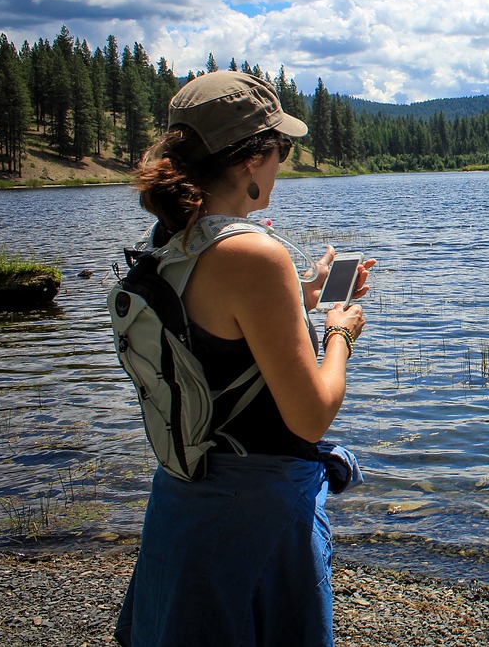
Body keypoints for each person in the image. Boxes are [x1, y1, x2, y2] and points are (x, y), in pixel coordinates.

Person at [114, 70, 374, 646]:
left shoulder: (167, 240)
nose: (283, 161)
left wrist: (300, 296)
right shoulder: (254, 253)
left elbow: (209, 333)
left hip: (182, 501)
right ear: (249, 160)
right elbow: (310, 416)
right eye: (281, 148)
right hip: (255, 512)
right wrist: (339, 331)